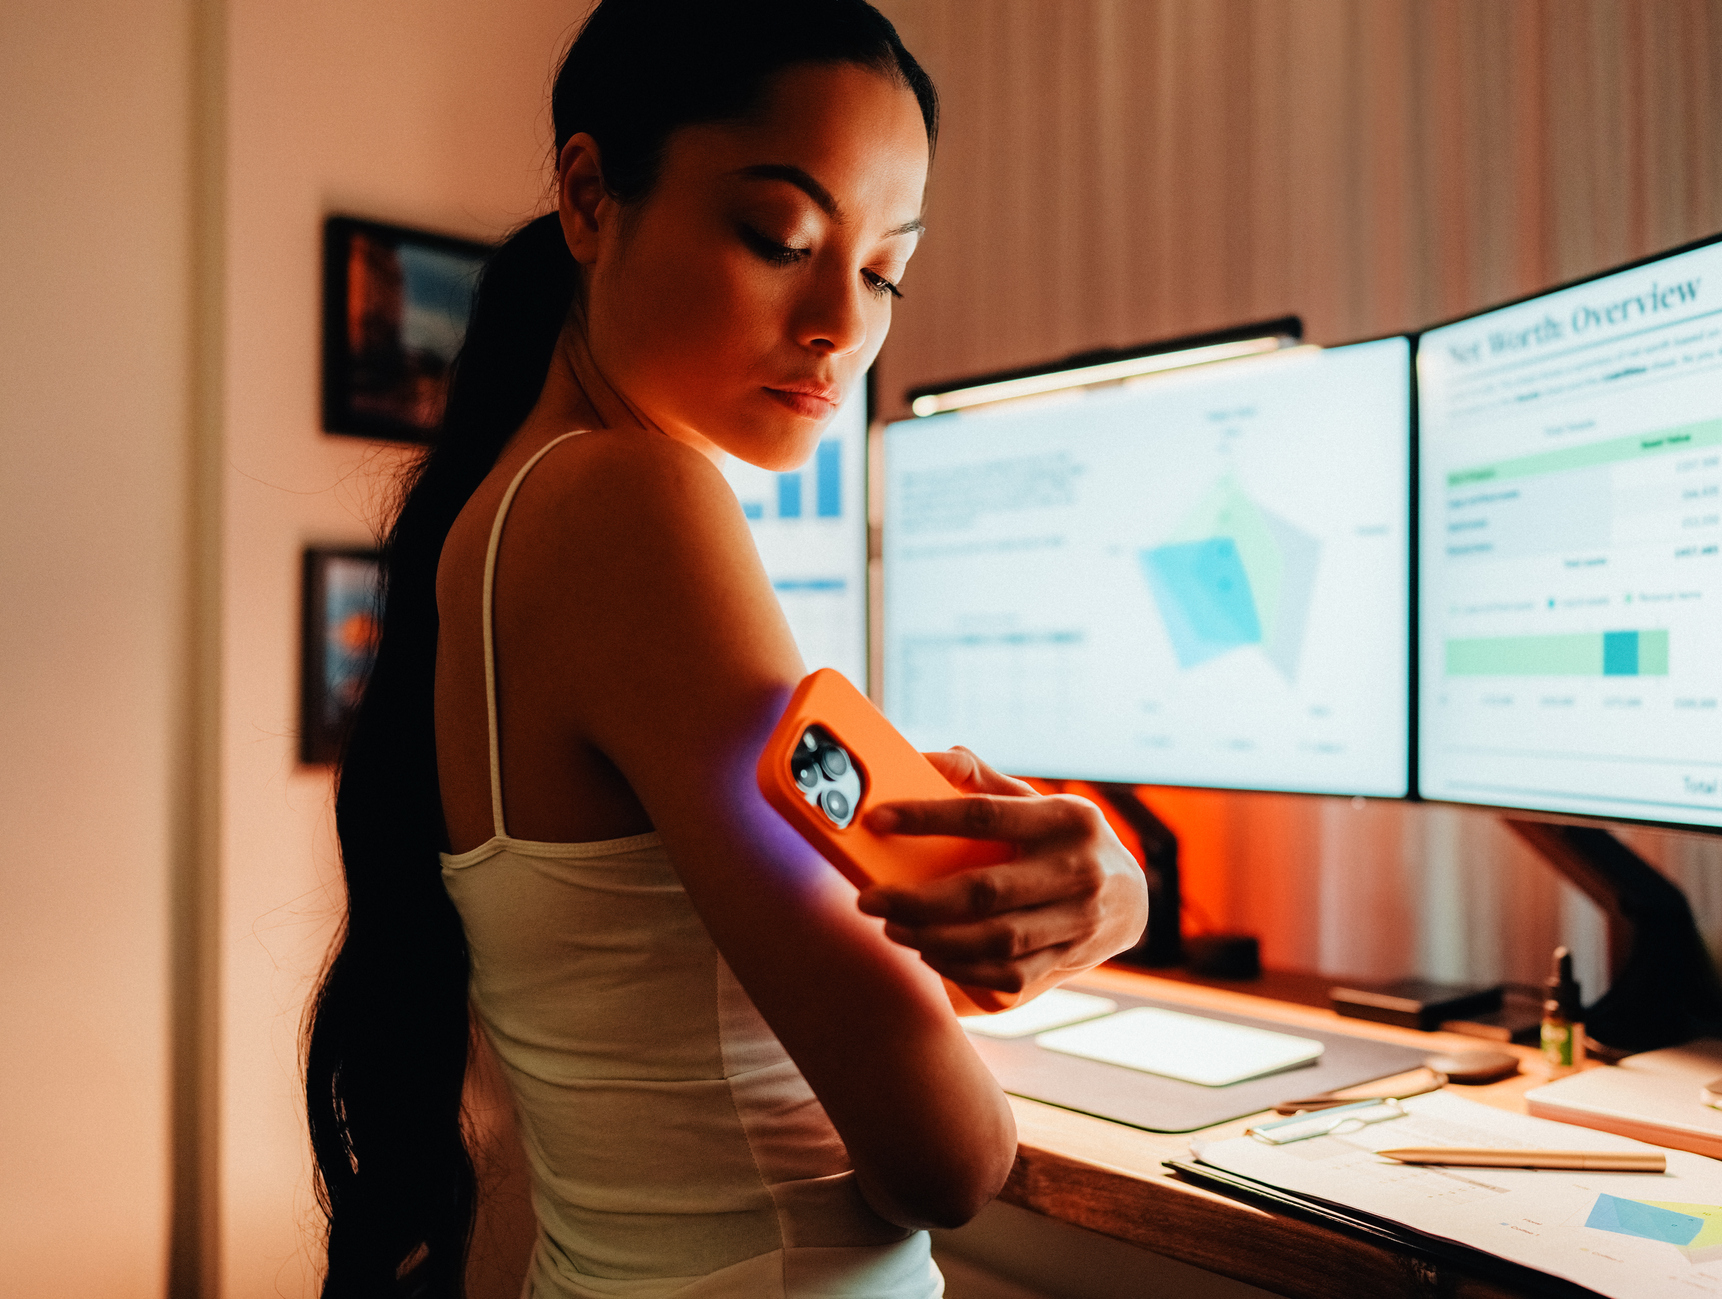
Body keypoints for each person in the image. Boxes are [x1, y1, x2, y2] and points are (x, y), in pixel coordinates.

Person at [304, 4, 1149, 1296]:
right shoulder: (632, 504)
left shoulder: (508, 512)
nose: (838, 325)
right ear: (588, 197)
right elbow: (947, 1160)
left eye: (882, 271)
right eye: (780, 238)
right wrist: (1108, 907)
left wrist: (1067, 897)